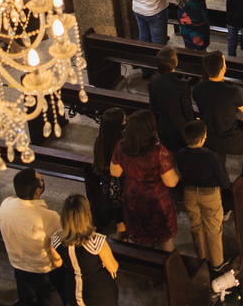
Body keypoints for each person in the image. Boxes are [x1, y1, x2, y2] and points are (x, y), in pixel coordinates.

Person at [193, 51, 243, 186]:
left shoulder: (197, 89)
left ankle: (221, 182)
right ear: (223, 69)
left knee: (219, 154)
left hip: (208, 138)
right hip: (230, 139)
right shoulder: (233, 92)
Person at [109, 110, 178, 251]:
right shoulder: (159, 151)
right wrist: (177, 174)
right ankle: (166, 269)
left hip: (133, 201)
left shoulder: (121, 146)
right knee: (165, 243)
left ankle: (147, 268)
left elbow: (115, 172)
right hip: (157, 203)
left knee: (142, 247)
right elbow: (171, 182)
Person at [0, 168, 63, 306]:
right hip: (44, 273)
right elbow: (62, 241)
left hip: (19, 268)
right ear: (37, 191)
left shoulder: (5, 205)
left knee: (29, 302)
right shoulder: (50, 217)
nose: (42, 181)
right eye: (41, 180)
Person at [177, 121, 231, 276]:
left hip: (189, 193)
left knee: (196, 226)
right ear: (203, 139)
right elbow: (224, 181)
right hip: (209, 195)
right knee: (214, 228)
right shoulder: (211, 156)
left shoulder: (181, 153)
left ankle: (203, 259)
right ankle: (217, 263)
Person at [50, 194, 119, 306]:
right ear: (87, 215)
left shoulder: (56, 239)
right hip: (99, 291)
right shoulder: (96, 240)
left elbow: (57, 262)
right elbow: (113, 267)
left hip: (72, 287)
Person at [147, 47, 194, 153]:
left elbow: (152, 108)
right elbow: (188, 111)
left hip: (163, 126)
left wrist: (154, 129)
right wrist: (193, 128)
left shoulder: (154, 81)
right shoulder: (181, 85)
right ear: (175, 62)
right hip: (180, 128)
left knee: (169, 156)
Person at [91, 108, 126, 237]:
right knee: (123, 227)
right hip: (121, 188)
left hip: (107, 186)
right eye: (124, 119)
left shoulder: (100, 139)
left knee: (120, 224)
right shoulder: (121, 143)